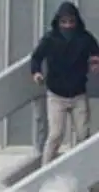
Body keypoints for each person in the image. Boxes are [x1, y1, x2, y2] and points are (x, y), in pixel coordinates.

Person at [31, 2, 99, 166]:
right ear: (58, 22)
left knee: (83, 135)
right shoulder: (50, 39)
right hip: (56, 95)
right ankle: (44, 170)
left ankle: (85, 173)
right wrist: (36, 72)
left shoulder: (85, 38)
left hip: (78, 94)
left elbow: (96, 52)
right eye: (64, 22)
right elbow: (36, 57)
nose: (68, 26)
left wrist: (95, 62)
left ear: (76, 22)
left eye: (71, 22)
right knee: (55, 135)